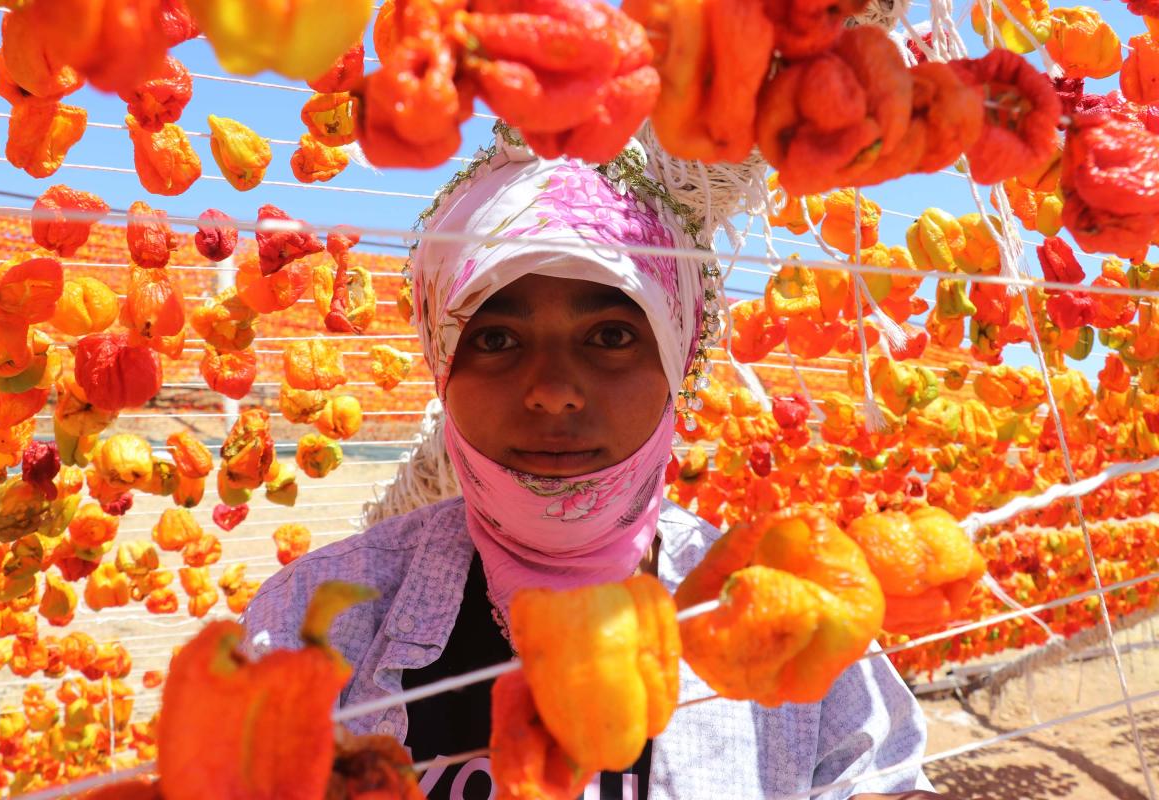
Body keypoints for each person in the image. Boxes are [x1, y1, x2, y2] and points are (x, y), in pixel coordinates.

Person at [242, 124, 942, 800]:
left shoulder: (776, 603)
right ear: (441, 364)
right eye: (493, 339)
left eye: (610, 335)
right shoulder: (314, 619)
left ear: (675, 358)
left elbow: (878, 778)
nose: (553, 392)